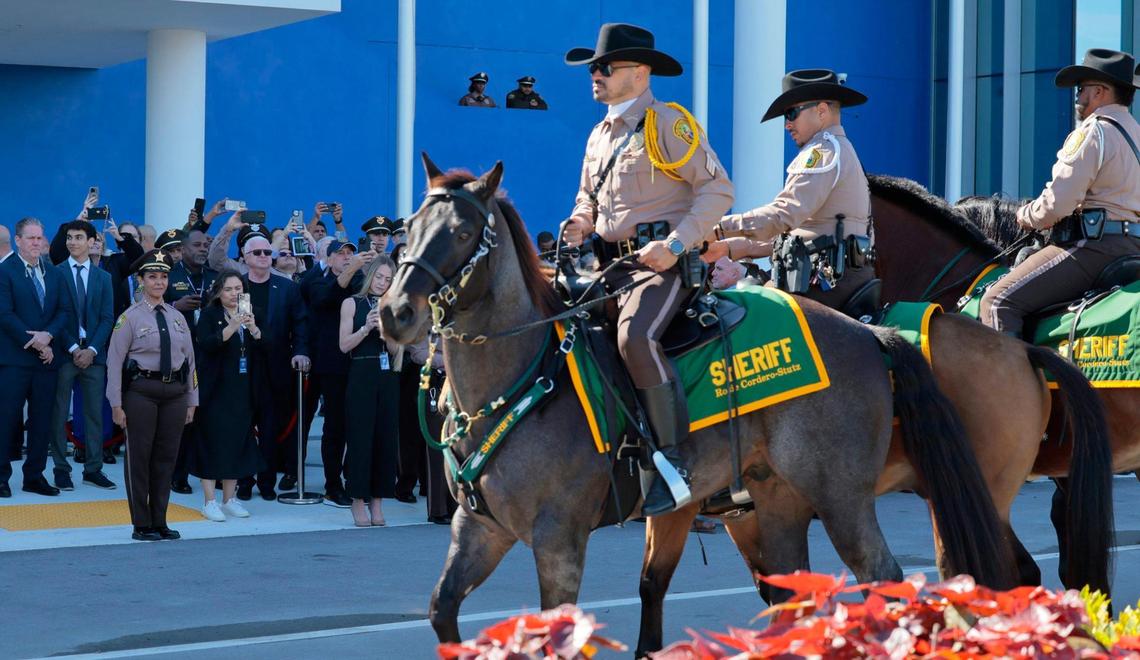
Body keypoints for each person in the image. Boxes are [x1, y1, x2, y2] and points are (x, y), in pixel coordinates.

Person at [562, 23, 734, 514]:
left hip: (663, 267)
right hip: (609, 268)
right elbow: (588, 197)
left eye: (604, 67)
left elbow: (718, 190)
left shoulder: (667, 124)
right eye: (593, 68)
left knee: (634, 339)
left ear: (639, 72)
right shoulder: (598, 135)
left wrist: (676, 245)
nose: (595, 75)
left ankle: (674, 462)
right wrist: (581, 221)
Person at [980, 48, 1140, 336]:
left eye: (1081, 88)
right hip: (1134, 247)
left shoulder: (1094, 132)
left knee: (996, 302)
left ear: (1100, 91)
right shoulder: (1136, 135)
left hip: (1093, 248)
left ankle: (1013, 369)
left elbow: (1057, 205)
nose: (1077, 97)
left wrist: (1026, 215)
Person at [705, 69, 873, 310]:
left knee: (733, 318)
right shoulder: (839, 149)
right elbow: (804, 233)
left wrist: (717, 229)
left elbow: (783, 215)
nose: (787, 124)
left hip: (820, 287)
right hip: (837, 280)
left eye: (792, 113)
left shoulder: (821, 151)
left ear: (821, 111)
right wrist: (731, 247)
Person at [105, 250, 198, 541]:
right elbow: (114, 362)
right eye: (152, 277)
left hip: (175, 394)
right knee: (140, 458)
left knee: (166, 458)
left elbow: (191, 362)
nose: (159, 282)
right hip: (142, 392)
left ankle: (160, 520)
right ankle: (141, 523)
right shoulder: (129, 318)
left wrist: (192, 400)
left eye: (163, 277)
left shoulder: (177, 317)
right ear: (141, 280)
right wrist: (116, 403)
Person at [0, 218, 75, 498]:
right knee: (7, 420)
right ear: (18, 240)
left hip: (46, 362)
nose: (36, 242)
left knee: (42, 421)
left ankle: (34, 476)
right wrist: (37, 342)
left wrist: (48, 336)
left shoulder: (54, 273)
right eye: (30, 238)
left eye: (39, 238)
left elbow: (64, 311)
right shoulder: (5, 271)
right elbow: (5, 314)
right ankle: (1, 477)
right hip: (14, 361)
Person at [236, 234, 310, 500]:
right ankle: (244, 482)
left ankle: (266, 482)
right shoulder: (237, 286)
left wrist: (301, 351)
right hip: (243, 367)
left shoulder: (287, 288)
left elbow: (300, 323)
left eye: (268, 252)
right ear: (245, 257)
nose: (264, 257)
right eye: (257, 253)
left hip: (276, 366)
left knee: (270, 427)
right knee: (243, 425)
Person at [191, 271, 266, 521]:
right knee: (212, 442)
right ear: (218, 292)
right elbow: (207, 344)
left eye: (238, 289)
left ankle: (229, 498)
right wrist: (232, 327)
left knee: (237, 442)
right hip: (215, 389)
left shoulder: (251, 313)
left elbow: (265, 347)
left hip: (242, 387)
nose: (234, 294)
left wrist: (253, 328)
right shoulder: (209, 315)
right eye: (228, 289)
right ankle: (209, 500)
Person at [48, 221, 116, 491]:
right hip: (65, 354)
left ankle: (93, 469)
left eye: (78, 237)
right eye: (69, 237)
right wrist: (74, 348)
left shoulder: (104, 278)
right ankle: (61, 469)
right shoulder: (56, 274)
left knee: (94, 414)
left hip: (94, 355)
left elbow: (107, 318)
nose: (72, 242)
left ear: (91, 241)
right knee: (59, 412)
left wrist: (92, 349)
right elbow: (54, 315)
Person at [303, 240, 370, 507]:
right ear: (328, 259)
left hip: (360, 363)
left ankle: (354, 478)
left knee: (359, 424)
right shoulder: (317, 281)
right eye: (340, 254)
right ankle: (332, 485)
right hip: (330, 366)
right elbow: (325, 298)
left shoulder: (359, 282)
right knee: (335, 427)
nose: (346, 257)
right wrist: (351, 269)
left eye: (350, 253)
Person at [339, 255, 402, 526]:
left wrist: (387, 331)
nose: (382, 283)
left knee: (385, 439)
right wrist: (366, 327)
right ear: (370, 275)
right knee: (360, 438)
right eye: (379, 277)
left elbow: (397, 350)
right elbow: (344, 345)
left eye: (388, 279)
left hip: (387, 376)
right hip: (361, 372)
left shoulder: (394, 306)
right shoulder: (351, 303)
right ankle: (357, 500)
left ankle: (377, 502)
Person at [164, 228, 216, 495]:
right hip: (179, 358)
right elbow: (148, 309)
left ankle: (213, 471)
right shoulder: (168, 276)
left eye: (206, 244)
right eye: (197, 245)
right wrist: (176, 306)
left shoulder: (214, 277)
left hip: (211, 356)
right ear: (182, 249)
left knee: (210, 418)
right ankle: (178, 474)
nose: (203, 248)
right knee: (183, 419)